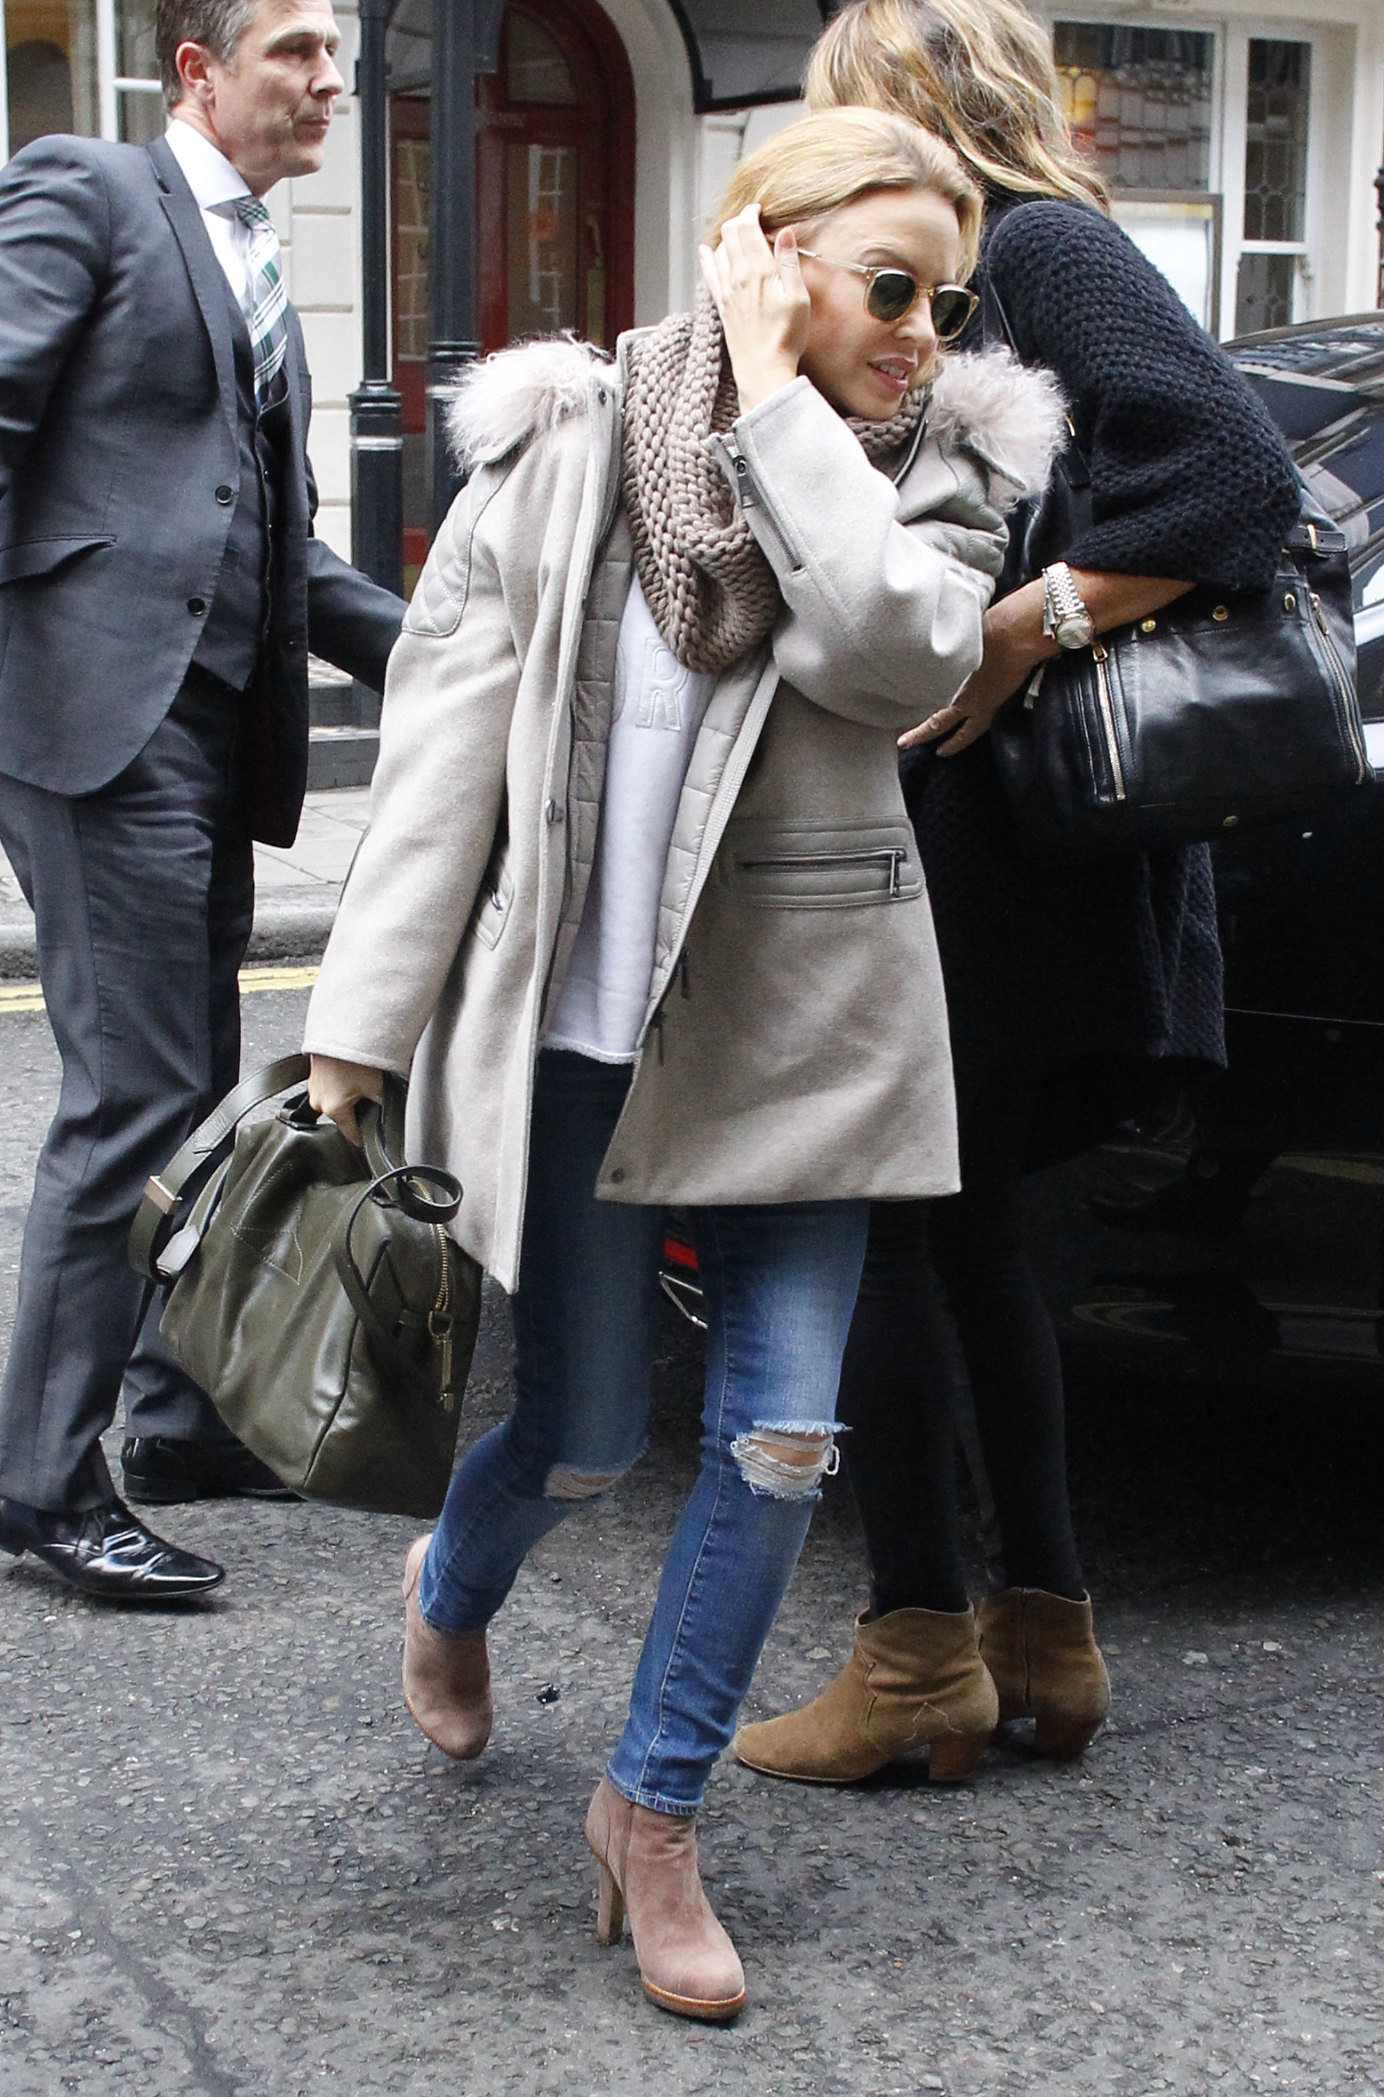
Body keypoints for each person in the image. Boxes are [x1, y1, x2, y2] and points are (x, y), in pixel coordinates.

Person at [304, 107, 1062, 2020]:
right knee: (579, 1433)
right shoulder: (568, 441)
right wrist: (354, 1031)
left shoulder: (948, 463)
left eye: (945, 295)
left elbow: (895, 655)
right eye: (887, 284)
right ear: (766, 252)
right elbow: (446, 738)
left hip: (810, 1039)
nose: (923, 330)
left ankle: (651, 1812)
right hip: (582, 1028)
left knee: (783, 1441)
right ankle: (450, 1588)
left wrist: (778, 400)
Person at [732, 0, 1303, 1790]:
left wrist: (1021, 626)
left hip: (999, 853)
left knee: (889, 1232)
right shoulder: (1015, 260)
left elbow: (1238, 476)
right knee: (974, 1239)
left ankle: (916, 1657)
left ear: (908, 106)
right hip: (1015, 860)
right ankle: (1045, 1642)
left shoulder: (1038, 245)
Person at [0, 0, 405, 1603]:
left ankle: (171, 1420)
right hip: (100, 716)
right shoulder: (93, 190)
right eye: (295, 49)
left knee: (193, 1082)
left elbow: (285, 543)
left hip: (215, 734)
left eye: (335, 54)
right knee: (135, 1092)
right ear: (198, 70)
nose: (328, 79)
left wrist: (450, 662)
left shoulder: (260, 276)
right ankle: (40, 1481)